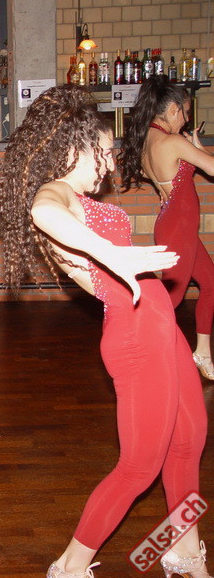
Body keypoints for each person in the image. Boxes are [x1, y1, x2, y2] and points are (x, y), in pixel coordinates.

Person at [0, 84, 209, 578]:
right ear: (72, 147)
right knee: (140, 466)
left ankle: (183, 549)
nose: (110, 167)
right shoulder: (58, 193)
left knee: (191, 437)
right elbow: (42, 212)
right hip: (136, 335)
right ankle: (70, 566)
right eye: (103, 154)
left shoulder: (81, 196)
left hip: (159, 324)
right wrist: (108, 253)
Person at [119, 75, 214, 381]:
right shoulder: (173, 142)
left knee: (211, 284)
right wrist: (199, 148)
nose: (186, 120)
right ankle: (140, 356)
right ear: (172, 109)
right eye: (185, 113)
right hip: (178, 226)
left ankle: (202, 352)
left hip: (175, 223)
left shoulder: (149, 138)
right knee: (170, 299)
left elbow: (161, 179)